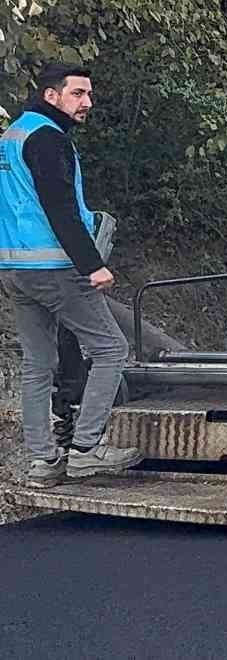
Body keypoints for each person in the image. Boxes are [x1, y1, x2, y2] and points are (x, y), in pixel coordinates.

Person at [0, 65, 141, 487]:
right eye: (78, 94)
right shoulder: (48, 140)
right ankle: (85, 449)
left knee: (38, 364)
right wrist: (91, 264)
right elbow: (59, 208)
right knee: (112, 348)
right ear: (51, 95)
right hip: (56, 268)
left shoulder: (10, 138)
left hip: (15, 269)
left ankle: (43, 462)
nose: (87, 103)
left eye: (89, 94)